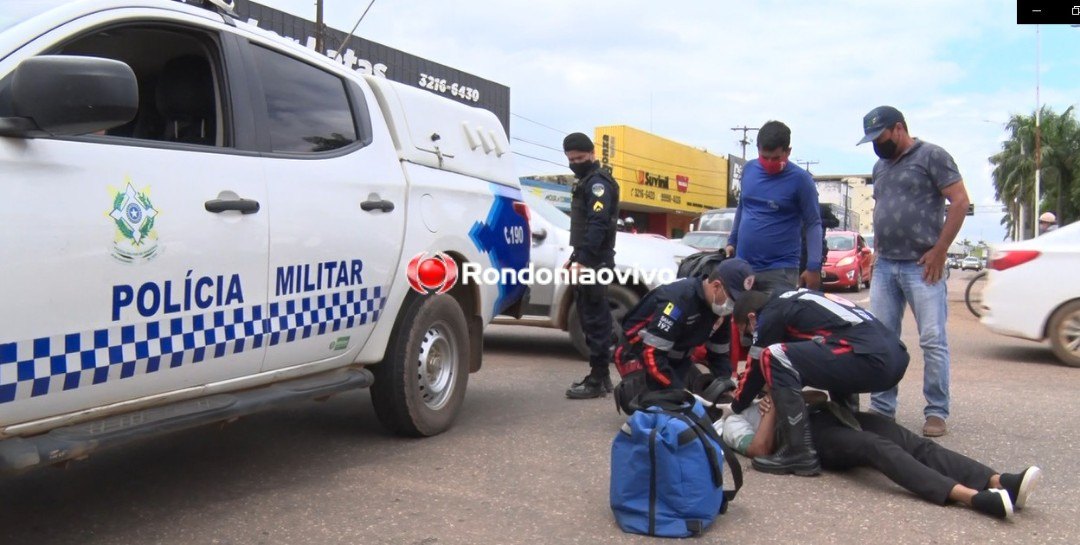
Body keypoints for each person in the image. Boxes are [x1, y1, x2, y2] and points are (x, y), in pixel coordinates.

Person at [720, 393, 1042, 520]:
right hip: (806, 438)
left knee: (909, 440)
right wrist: (772, 410)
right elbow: (758, 449)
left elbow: (820, 395)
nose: (735, 386)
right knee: (877, 448)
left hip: (829, 413)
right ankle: (973, 497)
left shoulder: (762, 375)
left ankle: (999, 481)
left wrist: (790, 392)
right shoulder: (729, 420)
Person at [857, 106, 970, 437]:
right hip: (886, 265)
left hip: (922, 266)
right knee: (882, 341)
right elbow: (884, 209)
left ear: (899, 128)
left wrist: (940, 251)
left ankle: (936, 411)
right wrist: (878, 253)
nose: (877, 145)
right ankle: (882, 408)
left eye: (880, 137)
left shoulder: (932, 156)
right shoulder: (880, 167)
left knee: (932, 340)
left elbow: (960, 202)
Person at [727, 287, 909, 476]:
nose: (749, 337)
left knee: (773, 356)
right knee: (830, 351)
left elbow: (755, 370)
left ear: (752, 318)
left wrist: (736, 406)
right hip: (894, 356)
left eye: (747, 331)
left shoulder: (769, 316)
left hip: (871, 357)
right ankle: (849, 424)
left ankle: (799, 452)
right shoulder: (794, 299)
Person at [612, 259, 756, 411]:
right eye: (733, 300)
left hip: (676, 357)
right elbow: (651, 354)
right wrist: (677, 390)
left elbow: (719, 355)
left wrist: (727, 386)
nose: (733, 307)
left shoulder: (721, 309)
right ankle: (631, 390)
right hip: (638, 354)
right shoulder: (678, 301)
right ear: (716, 286)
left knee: (711, 402)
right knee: (663, 408)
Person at [725, 120, 823, 294]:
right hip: (743, 266)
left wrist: (813, 266)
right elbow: (742, 206)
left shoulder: (801, 180)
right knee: (742, 320)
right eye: (765, 157)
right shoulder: (749, 170)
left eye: (776, 158)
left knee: (775, 320)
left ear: (788, 152)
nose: (770, 162)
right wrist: (732, 241)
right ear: (758, 150)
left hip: (780, 270)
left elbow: (813, 223)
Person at [563, 132, 621, 399]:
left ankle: (597, 380)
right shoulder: (586, 181)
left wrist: (584, 261)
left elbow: (598, 225)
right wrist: (575, 257)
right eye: (571, 159)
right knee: (589, 318)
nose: (575, 163)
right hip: (589, 259)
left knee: (595, 320)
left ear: (592, 154)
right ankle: (601, 376)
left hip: (595, 262)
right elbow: (585, 227)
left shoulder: (598, 184)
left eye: (580, 158)